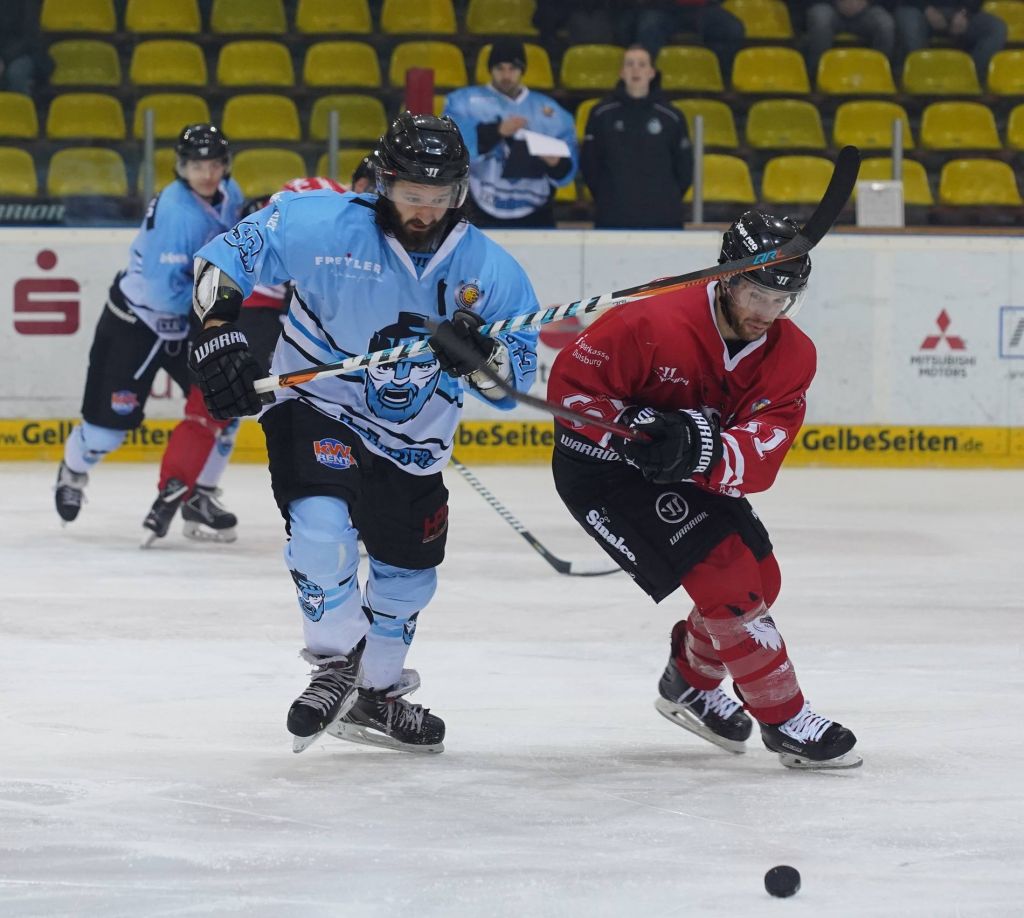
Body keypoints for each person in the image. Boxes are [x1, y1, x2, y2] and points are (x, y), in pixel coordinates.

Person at [187, 112, 540, 754]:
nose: (425, 211)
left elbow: (514, 378)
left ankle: (374, 696)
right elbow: (224, 257)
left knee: (409, 584)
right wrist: (216, 331)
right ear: (384, 181)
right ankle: (337, 661)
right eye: (411, 195)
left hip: (414, 443)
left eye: (439, 198)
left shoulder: (492, 272)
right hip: (317, 402)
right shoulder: (316, 221)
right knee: (320, 532)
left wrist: (482, 359)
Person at [547, 210, 861, 770]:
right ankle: (785, 718)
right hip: (605, 472)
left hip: (691, 471)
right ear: (728, 276)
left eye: (782, 300)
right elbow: (570, 395)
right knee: (730, 580)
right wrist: (633, 427)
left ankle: (689, 683)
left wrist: (699, 447)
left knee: (764, 580)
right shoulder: (647, 321)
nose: (768, 313)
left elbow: (762, 453)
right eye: (757, 295)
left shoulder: (794, 355)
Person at [54, 123, 244, 543]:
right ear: (182, 167)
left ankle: (202, 494)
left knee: (222, 407)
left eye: (214, 164)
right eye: (197, 165)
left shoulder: (232, 195)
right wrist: (219, 303)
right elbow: (163, 294)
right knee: (106, 431)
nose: (207, 173)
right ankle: (73, 471)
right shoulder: (178, 214)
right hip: (138, 322)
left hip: (186, 320)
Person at [443, 38, 577, 228]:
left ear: (522, 70)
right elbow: (452, 146)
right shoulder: (464, 102)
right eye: (500, 68)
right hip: (479, 208)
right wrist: (496, 131)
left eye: (512, 68)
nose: (506, 75)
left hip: (535, 211)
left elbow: (567, 168)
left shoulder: (550, 111)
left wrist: (556, 162)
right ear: (490, 70)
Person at [580, 44, 693, 228]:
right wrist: (607, 197)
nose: (635, 69)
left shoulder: (671, 116)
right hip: (613, 217)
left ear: (652, 72)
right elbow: (589, 165)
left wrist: (664, 199)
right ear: (621, 72)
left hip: (663, 219)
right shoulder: (601, 114)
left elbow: (684, 170)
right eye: (629, 64)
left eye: (642, 64)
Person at [895, 1, 1007, 83]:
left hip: (959, 11)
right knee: (909, 22)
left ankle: (967, 77)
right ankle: (921, 77)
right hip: (918, 9)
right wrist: (926, 9)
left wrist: (964, 13)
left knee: (996, 28)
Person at [630, 0, 745, 79]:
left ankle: (721, 79)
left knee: (731, 28)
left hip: (703, 8)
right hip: (663, 8)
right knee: (649, 27)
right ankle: (643, 80)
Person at [804, 0, 896, 79]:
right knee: (820, 20)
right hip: (829, 6)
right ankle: (816, 76)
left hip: (866, 9)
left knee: (885, 24)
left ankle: (878, 75)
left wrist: (866, 2)